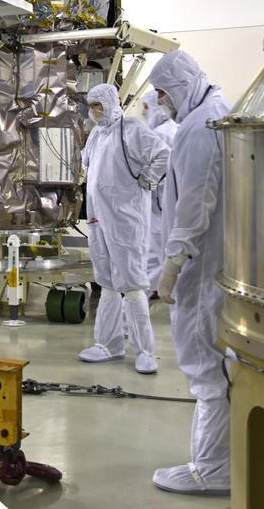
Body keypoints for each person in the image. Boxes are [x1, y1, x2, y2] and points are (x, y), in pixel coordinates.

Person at [148, 50, 232, 497]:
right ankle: (222, 461)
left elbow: (195, 205)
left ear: (180, 86)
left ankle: (213, 469)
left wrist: (173, 264)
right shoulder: (215, 111)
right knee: (217, 365)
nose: (162, 103)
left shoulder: (201, 127)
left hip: (201, 264)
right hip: (213, 258)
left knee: (204, 364)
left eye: (163, 94)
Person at [79, 83, 166, 374]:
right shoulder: (96, 134)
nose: (94, 111)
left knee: (132, 285)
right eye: (91, 106)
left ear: (111, 103)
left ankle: (145, 351)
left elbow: (163, 154)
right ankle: (108, 345)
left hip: (126, 221)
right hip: (99, 220)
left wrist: (148, 179)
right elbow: (87, 165)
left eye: (98, 105)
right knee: (106, 283)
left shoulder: (131, 129)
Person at [140, 89, 178, 294]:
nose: (144, 112)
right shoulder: (175, 128)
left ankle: (144, 292)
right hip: (169, 200)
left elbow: (153, 166)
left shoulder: (159, 133)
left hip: (160, 201)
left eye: (146, 107)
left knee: (157, 248)